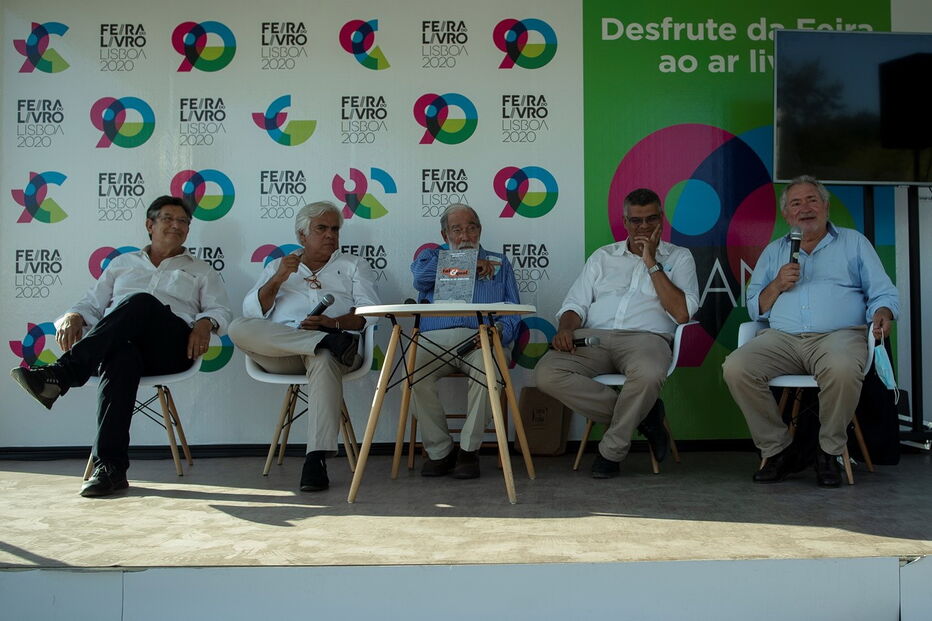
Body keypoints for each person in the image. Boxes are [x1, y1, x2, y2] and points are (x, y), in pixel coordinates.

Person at [10, 196, 232, 497]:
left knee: (139, 302)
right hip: (123, 345)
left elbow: (221, 312)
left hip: (171, 347)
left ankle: (62, 374)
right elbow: (90, 304)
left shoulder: (201, 269)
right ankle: (111, 470)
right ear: (149, 225)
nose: (176, 226)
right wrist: (73, 315)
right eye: (168, 219)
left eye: (183, 222)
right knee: (120, 358)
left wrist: (206, 323)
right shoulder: (122, 264)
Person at [723, 175, 899, 487]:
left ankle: (828, 451)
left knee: (844, 368)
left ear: (826, 207)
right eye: (796, 203)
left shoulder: (853, 243)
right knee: (736, 368)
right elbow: (754, 307)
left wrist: (883, 313)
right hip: (783, 339)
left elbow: (882, 293)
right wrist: (777, 284)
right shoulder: (775, 251)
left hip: (838, 337)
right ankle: (778, 449)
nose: (805, 208)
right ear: (786, 215)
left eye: (811, 200)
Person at [535, 188, 699, 478]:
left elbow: (682, 313)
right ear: (625, 222)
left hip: (646, 340)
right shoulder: (603, 257)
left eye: (651, 219)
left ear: (662, 219)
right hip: (593, 337)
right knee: (546, 373)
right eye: (636, 221)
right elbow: (575, 304)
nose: (644, 227)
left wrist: (651, 263)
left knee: (648, 374)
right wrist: (565, 329)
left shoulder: (680, 257)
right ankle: (645, 415)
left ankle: (611, 453)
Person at [228, 201, 379, 492]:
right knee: (238, 327)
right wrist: (278, 278)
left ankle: (315, 458)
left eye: (334, 229)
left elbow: (371, 313)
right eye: (321, 228)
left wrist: (333, 323)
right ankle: (322, 341)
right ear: (302, 236)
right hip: (284, 351)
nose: (330, 235)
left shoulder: (353, 265)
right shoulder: (279, 265)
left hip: (333, 349)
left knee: (323, 357)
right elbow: (253, 313)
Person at [409, 203, 520, 479]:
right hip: (434, 340)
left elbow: (514, 311)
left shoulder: (498, 263)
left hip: (481, 338)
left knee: (490, 370)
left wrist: (497, 336)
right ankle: (440, 451)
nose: (465, 235)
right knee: (409, 372)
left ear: (480, 230)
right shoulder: (429, 257)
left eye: (471, 228)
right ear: (444, 233)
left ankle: (469, 451)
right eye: (456, 230)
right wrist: (461, 260)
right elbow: (420, 280)